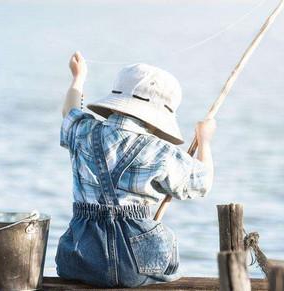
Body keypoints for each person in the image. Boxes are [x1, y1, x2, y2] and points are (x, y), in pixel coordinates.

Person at [55, 51, 216, 287]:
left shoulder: (83, 131)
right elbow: (202, 184)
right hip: (138, 267)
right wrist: (205, 141)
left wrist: (78, 78)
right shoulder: (161, 151)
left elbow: (69, 112)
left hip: (79, 259)